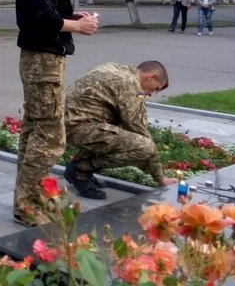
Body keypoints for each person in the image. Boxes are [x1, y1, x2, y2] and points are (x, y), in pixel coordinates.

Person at [13, 0, 99, 227]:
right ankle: (27, 205)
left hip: (43, 58)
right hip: (43, 60)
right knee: (50, 136)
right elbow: (37, 17)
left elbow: (45, 10)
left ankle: (28, 200)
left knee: (35, 131)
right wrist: (77, 26)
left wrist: (73, 17)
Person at [64, 61, 178, 198]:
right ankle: (80, 170)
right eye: (155, 88)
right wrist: (161, 178)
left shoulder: (117, 69)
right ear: (151, 77)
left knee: (119, 128)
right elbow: (139, 131)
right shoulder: (131, 86)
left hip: (68, 121)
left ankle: (79, 167)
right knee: (144, 147)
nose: (152, 94)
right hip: (77, 126)